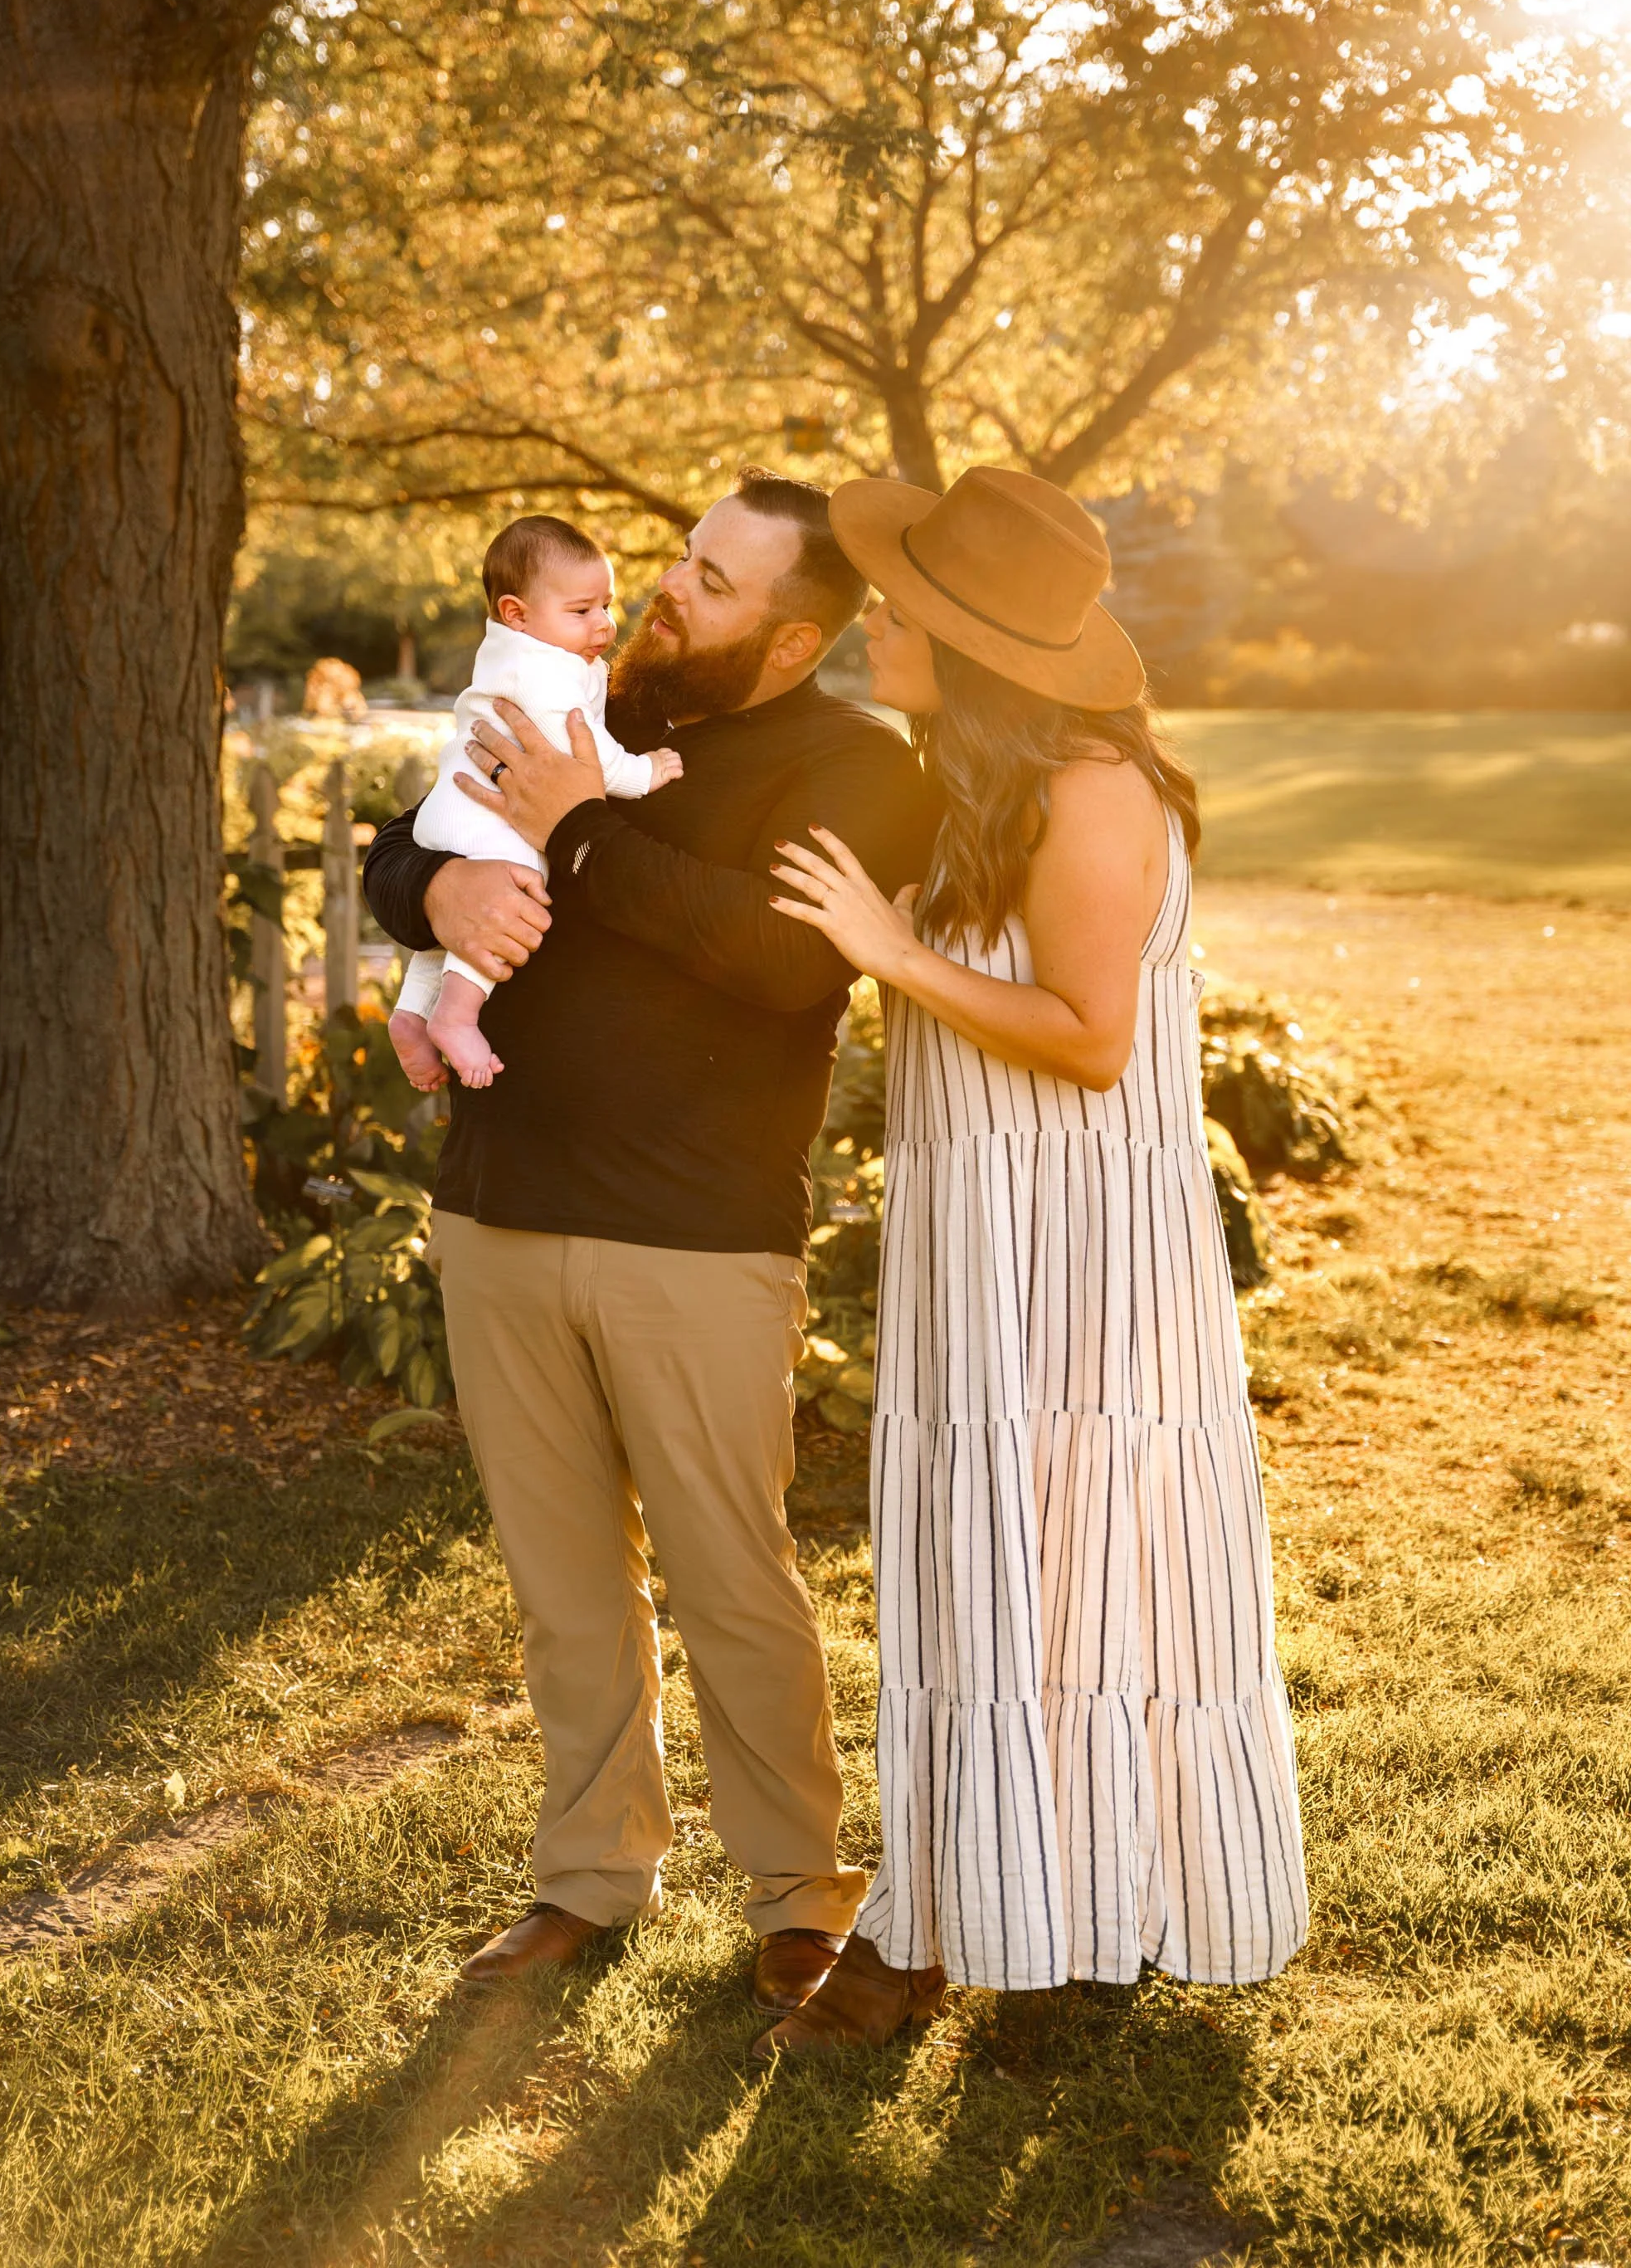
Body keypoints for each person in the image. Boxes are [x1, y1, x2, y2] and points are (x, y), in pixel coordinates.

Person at [363, 466, 937, 2021]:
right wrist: (449, 879)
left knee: (731, 1575)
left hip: (694, 1234)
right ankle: (587, 1876)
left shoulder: (863, 765)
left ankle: (800, 1894)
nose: (670, 590)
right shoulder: (581, 701)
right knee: (563, 1580)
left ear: (793, 636)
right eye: (684, 557)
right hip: (497, 1207)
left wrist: (583, 836)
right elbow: (396, 846)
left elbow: (776, 965)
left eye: (714, 582)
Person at [756, 464, 1309, 2054]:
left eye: (906, 608)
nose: (877, 624)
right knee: (981, 1564)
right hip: (979, 1235)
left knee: (1084, 1570)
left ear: (971, 645)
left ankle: (1095, 1934)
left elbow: (1086, 1040)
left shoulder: (1093, 794)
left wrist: (891, 954)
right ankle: (957, 1903)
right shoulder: (976, 786)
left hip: (1078, 1248)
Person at [389, 514, 680, 1093]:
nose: (603, 623)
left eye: (606, 604)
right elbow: (584, 747)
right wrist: (643, 773)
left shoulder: (526, 655)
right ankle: (457, 1015)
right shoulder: (538, 672)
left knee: (461, 926)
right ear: (515, 613)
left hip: (454, 809)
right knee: (511, 897)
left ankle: (411, 1012)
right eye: (581, 611)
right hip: (485, 817)